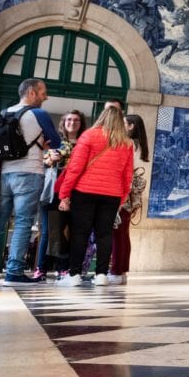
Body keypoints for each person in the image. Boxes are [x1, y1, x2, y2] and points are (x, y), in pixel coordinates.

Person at [0, 78, 62, 287]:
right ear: (31, 93)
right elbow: (57, 142)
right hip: (30, 173)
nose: (46, 97)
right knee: (23, 222)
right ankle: (14, 271)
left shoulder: (5, 113)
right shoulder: (39, 114)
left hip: (3, 174)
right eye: (43, 93)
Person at [56, 105, 134, 287]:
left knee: (80, 233)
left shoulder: (89, 136)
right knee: (105, 234)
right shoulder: (126, 143)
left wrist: (64, 193)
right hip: (112, 194)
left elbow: (75, 168)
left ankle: (74, 275)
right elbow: (127, 175)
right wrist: (122, 198)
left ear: (102, 117)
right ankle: (101, 275)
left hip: (84, 192)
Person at [35, 110, 86, 279]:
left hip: (76, 190)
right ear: (63, 122)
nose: (72, 123)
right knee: (49, 230)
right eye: (69, 119)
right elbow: (40, 161)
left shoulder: (85, 143)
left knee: (69, 231)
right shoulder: (54, 141)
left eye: (76, 120)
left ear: (81, 123)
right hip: (53, 189)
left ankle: (64, 268)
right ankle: (41, 268)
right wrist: (50, 161)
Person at [109, 113, 149, 284]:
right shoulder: (140, 146)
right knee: (123, 233)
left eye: (123, 123)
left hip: (124, 193)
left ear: (131, 126)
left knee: (118, 233)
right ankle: (121, 270)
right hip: (134, 195)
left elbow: (125, 172)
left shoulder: (129, 144)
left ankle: (116, 270)